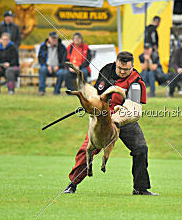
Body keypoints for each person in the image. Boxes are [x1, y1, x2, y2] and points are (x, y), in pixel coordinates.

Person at [64, 51, 158, 196]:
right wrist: (88, 104)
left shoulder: (136, 82)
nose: (122, 72)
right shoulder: (106, 71)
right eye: (120, 68)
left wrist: (114, 120)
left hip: (123, 120)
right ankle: (72, 184)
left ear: (132, 66)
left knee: (140, 148)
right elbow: (97, 94)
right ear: (116, 63)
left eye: (126, 69)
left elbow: (132, 109)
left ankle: (140, 188)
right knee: (86, 150)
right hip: (102, 120)